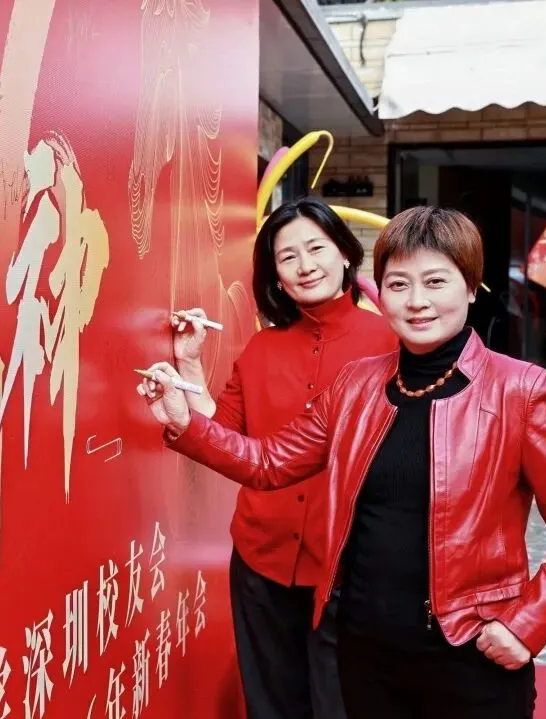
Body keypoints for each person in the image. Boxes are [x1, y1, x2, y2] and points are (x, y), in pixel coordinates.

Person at [138, 205, 546, 719]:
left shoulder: (520, 390)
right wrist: (184, 421)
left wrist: (527, 622)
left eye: (436, 281)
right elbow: (268, 463)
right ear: (380, 292)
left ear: (471, 288)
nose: (417, 301)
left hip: (468, 649)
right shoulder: (356, 385)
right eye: (399, 285)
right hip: (364, 648)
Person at [170, 197, 396, 719]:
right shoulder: (261, 349)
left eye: (316, 248)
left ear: (345, 254)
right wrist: (188, 361)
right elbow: (223, 434)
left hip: (353, 565)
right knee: (270, 703)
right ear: (274, 274)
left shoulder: (391, 342)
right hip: (261, 557)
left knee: (343, 704)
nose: (305, 265)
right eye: (287, 256)